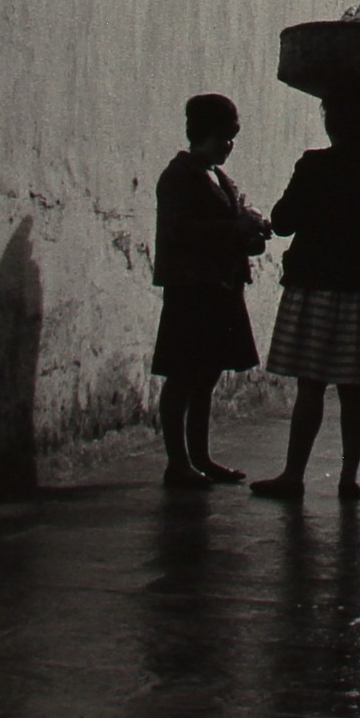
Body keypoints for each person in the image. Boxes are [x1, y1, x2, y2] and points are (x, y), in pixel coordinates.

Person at [251, 93, 360, 502]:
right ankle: (349, 477)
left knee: (311, 384)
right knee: (353, 390)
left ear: (332, 123)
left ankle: (293, 475)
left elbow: (283, 221)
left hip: (315, 280)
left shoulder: (314, 166)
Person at [152, 93, 269, 488]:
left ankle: (199, 457)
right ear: (202, 134)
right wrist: (235, 229)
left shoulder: (218, 178)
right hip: (191, 287)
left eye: (232, 138)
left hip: (221, 287)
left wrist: (250, 234)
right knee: (183, 375)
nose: (229, 145)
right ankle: (178, 462)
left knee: (206, 376)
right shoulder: (179, 176)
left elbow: (228, 228)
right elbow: (179, 231)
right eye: (223, 137)